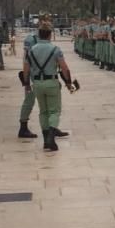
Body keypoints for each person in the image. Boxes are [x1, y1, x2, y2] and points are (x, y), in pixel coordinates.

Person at [22, 22, 75, 152]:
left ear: (39, 34)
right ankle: (51, 137)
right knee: (54, 111)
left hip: (37, 84)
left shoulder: (31, 50)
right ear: (50, 35)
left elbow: (26, 69)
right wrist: (69, 83)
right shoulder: (55, 49)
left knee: (43, 111)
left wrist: (27, 84)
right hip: (51, 82)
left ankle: (46, 140)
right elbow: (64, 68)